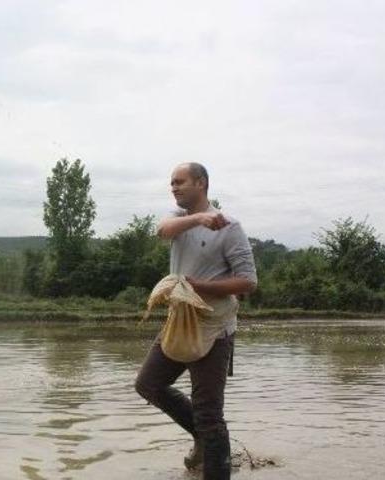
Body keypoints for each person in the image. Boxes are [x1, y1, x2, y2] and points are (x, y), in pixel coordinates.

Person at [135, 163, 257, 479]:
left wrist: (199, 286)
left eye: (180, 182)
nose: (173, 187)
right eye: (171, 183)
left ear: (200, 183)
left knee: (209, 414)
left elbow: (247, 282)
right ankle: (201, 439)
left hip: (214, 329)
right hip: (179, 322)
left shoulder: (230, 227)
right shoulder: (179, 221)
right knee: (148, 384)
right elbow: (161, 230)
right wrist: (199, 218)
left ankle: (214, 461)